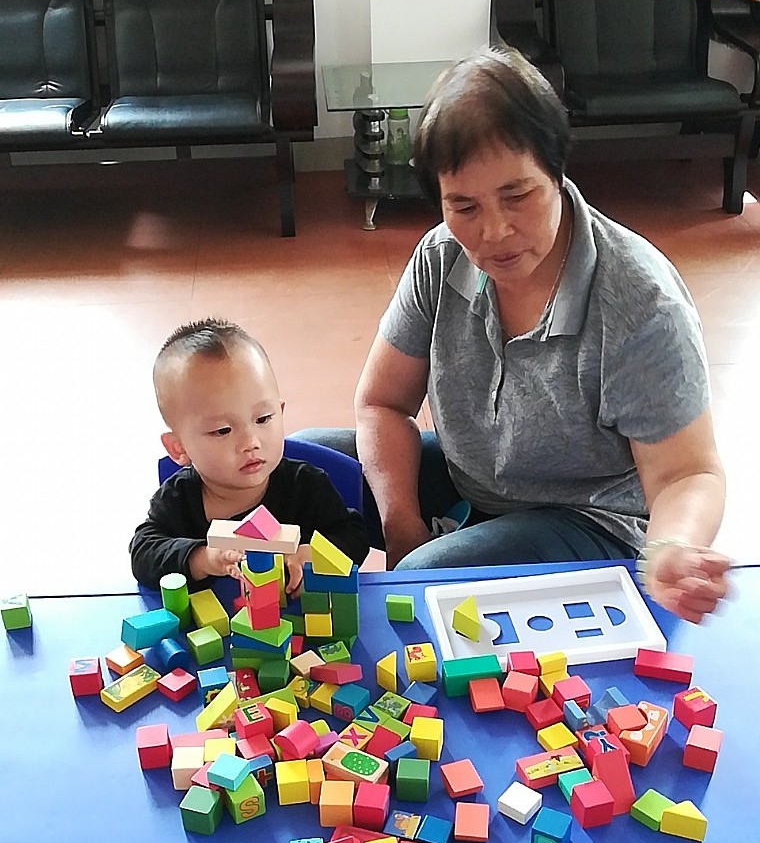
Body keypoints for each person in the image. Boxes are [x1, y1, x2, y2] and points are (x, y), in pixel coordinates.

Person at [295, 47, 730, 625]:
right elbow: (383, 402)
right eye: (464, 206)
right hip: (471, 483)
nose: (494, 231)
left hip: (586, 520)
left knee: (423, 581)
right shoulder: (441, 258)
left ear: (557, 169)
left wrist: (673, 546)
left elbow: (687, 472)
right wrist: (401, 524)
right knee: (295, 467)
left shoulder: (640, 302)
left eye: (517, 196)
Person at [130, 319, 369, 592]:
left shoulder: (306, 486)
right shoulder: (178, 499)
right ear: (179, 447)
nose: (250, 442)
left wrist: (311, 554)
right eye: (222, 430)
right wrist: (203, 558)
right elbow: (143, 553)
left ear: (280, 411)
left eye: (263, 418)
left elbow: (354, 536)